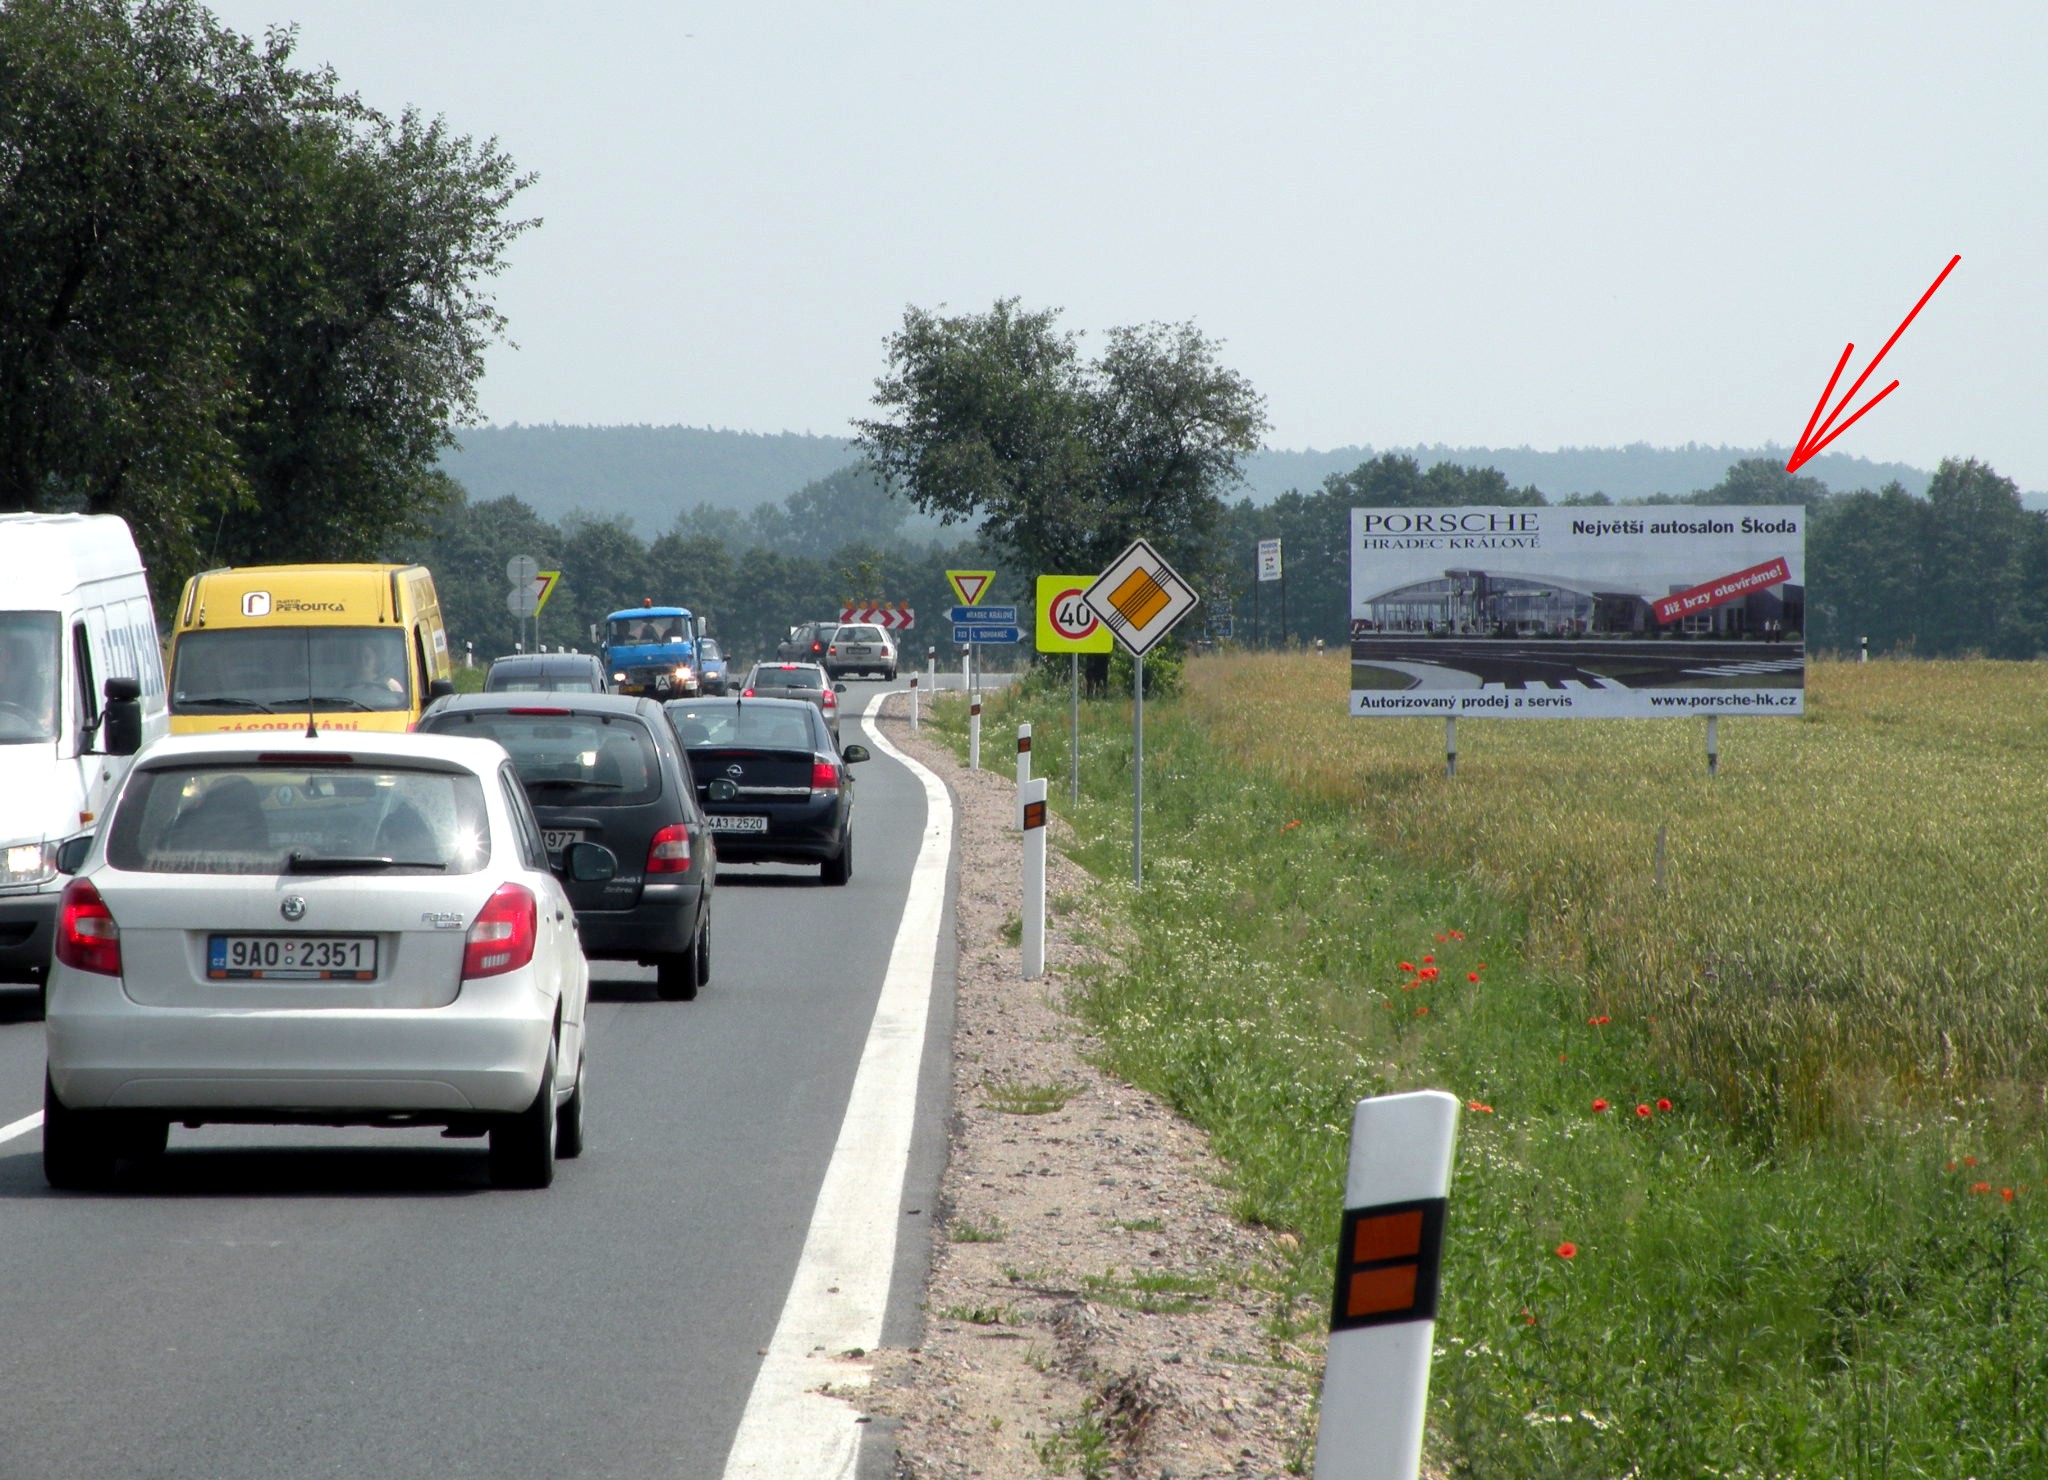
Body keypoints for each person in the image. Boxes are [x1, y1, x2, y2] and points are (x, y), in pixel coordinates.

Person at [0, 629, 59, 738]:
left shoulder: (42, 688)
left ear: (7, 656)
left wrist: (45, 721)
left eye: (2, 651)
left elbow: (47, 720)